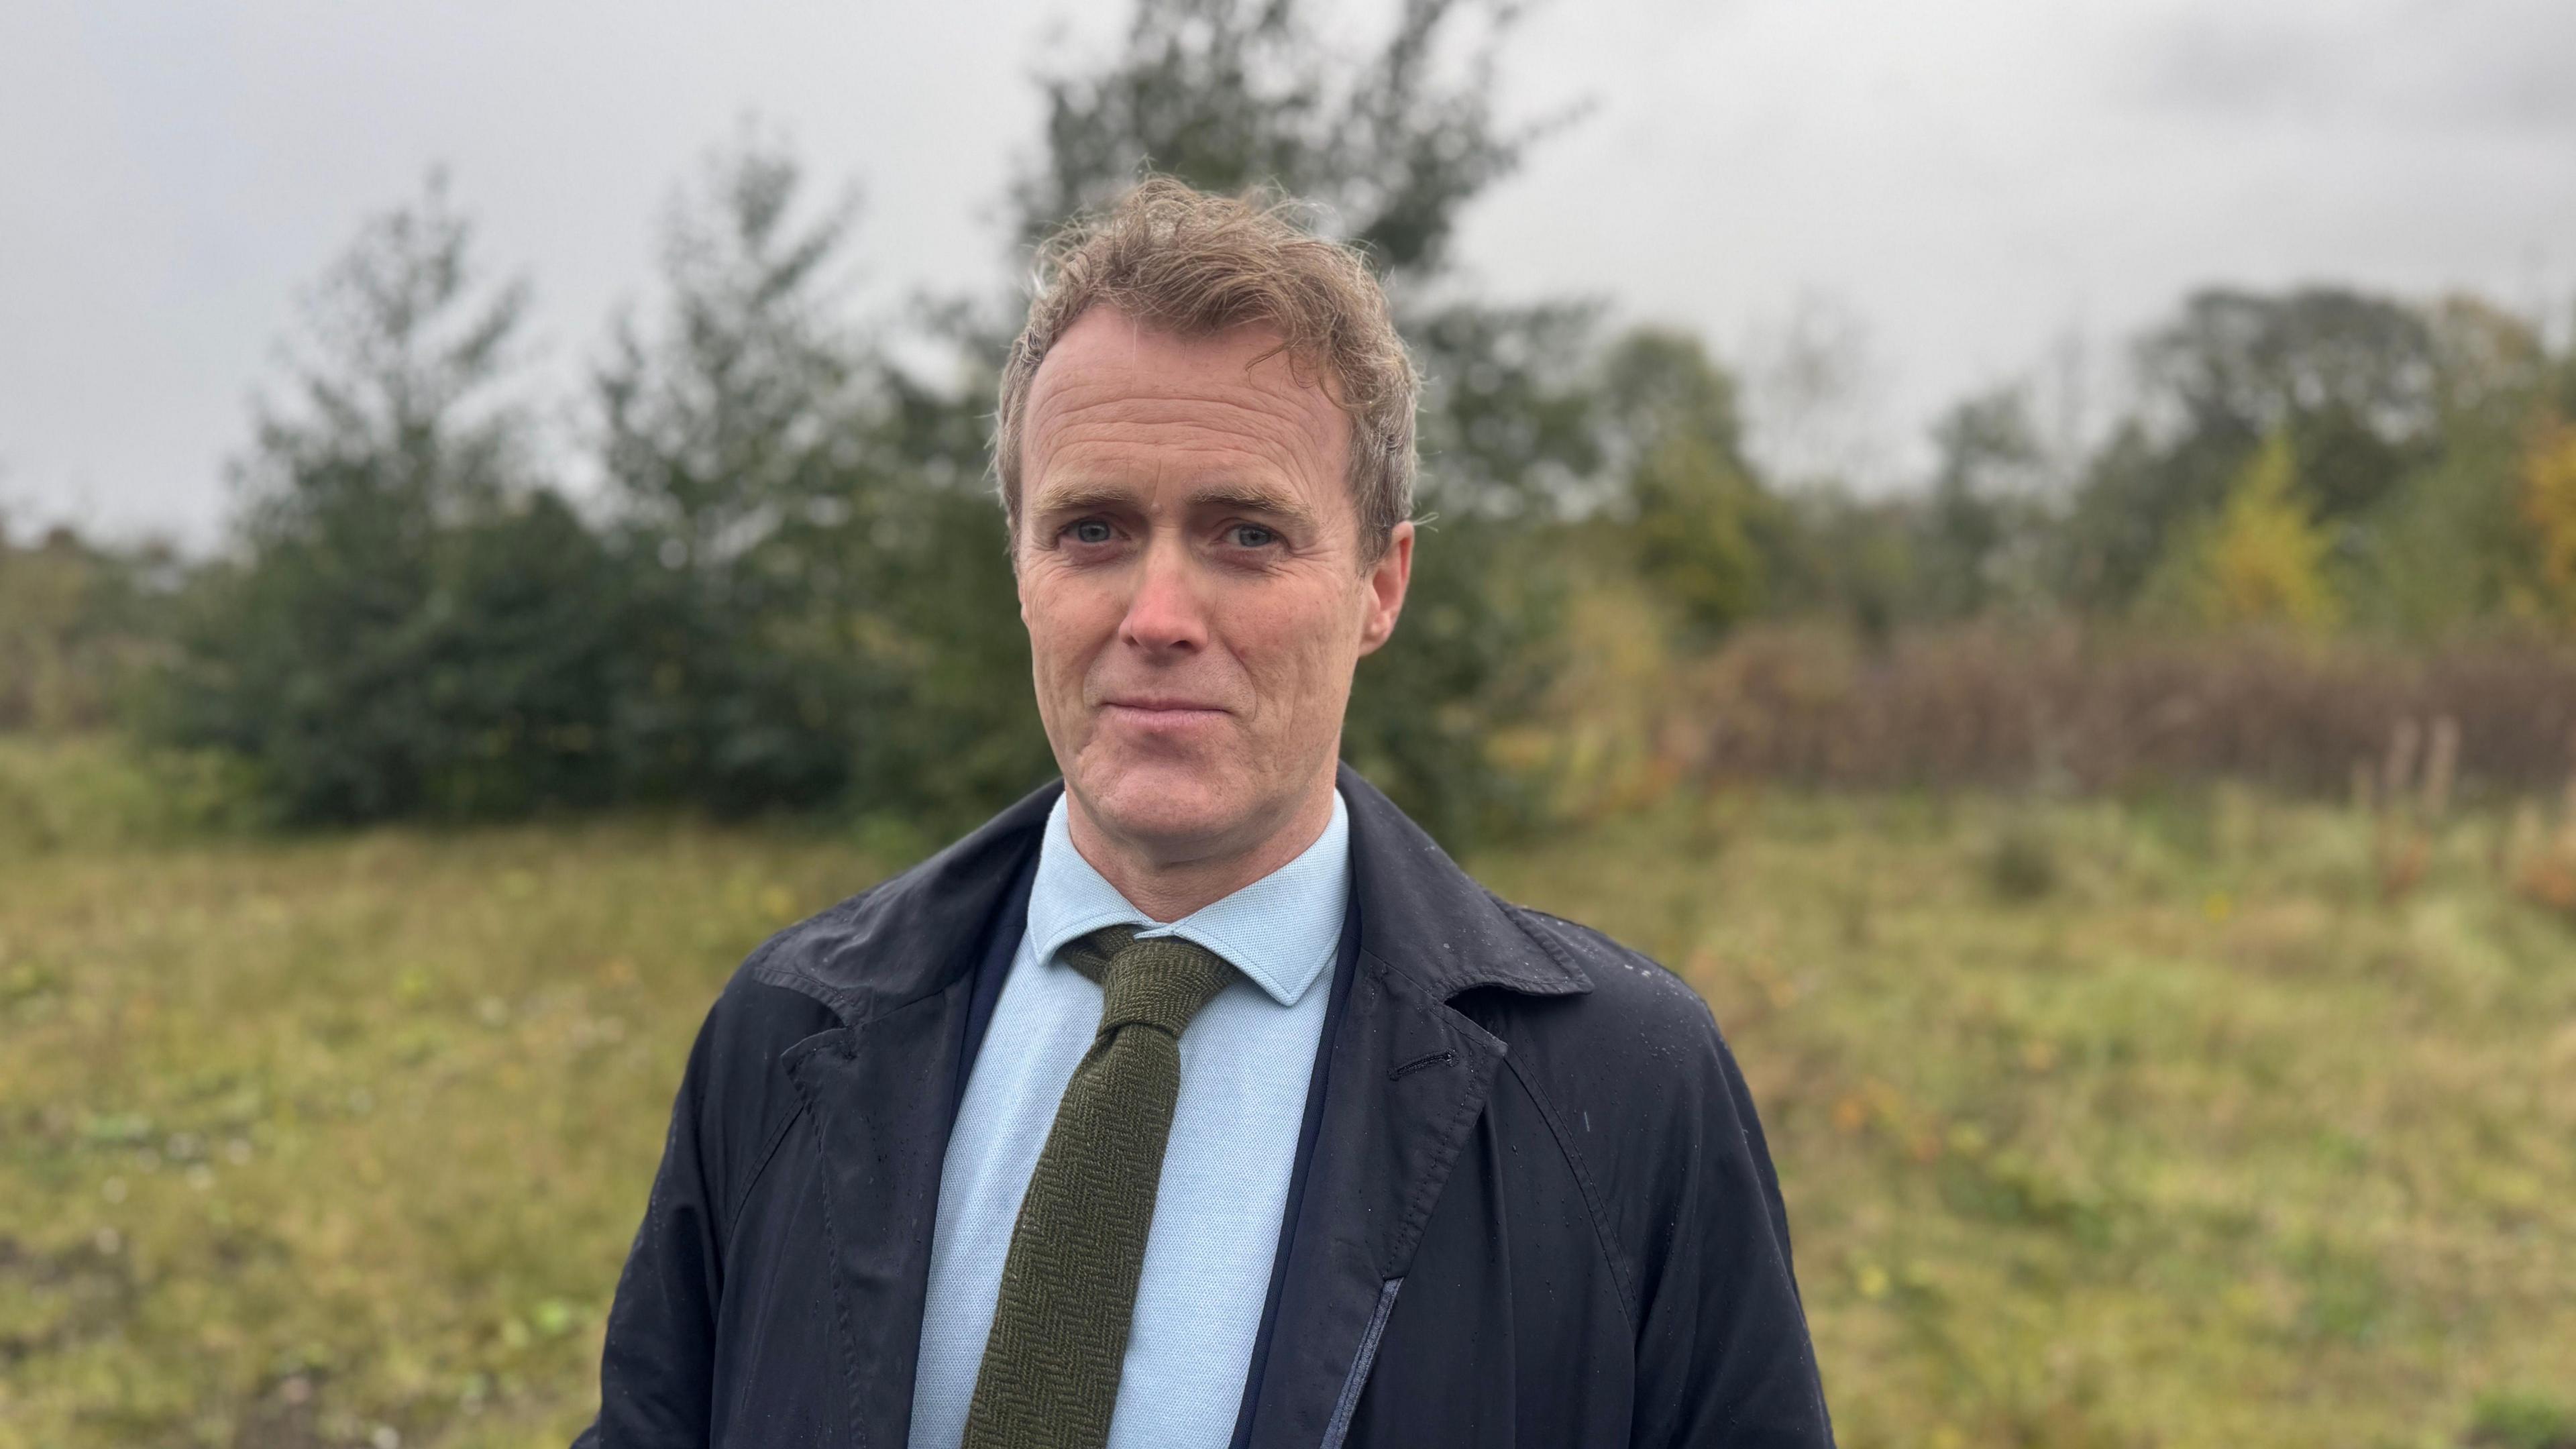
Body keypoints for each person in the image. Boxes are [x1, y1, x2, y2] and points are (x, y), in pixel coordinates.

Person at [576, 176, 1833, 1449]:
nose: (1159, 615)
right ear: (1020, 566)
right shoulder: (787, 1032)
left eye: (1245, 534)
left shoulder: (1622, 1089)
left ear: (1380, 586)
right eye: (1093, 528)